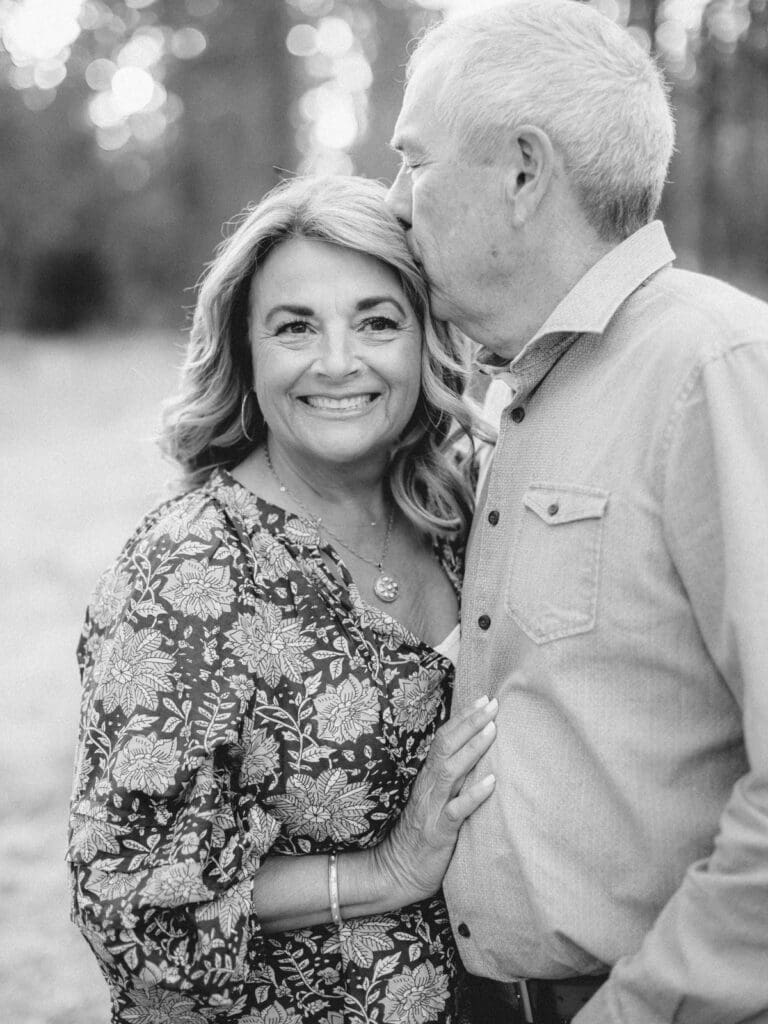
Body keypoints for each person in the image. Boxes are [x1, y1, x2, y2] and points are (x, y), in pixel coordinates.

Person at [386, 2, 768, 1023]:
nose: (395, 199)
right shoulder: (518, 390)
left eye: (415, 160)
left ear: (522, 171)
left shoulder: (715, 367)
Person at [67, 175, 499, 1023]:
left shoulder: (458, 509)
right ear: (247, 351)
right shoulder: (189, 573)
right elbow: (132, 900)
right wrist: (387, 869)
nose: (339, 362)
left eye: (377, 321)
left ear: (425, 343)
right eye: (296, 326)